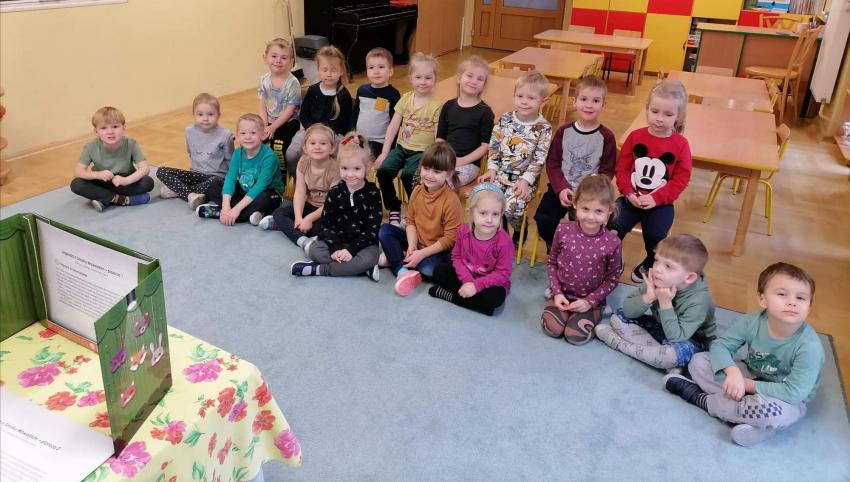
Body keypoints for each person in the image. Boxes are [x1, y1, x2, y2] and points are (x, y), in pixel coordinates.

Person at [665, 263, 824, 447]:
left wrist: (744, 384)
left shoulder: (810, 347)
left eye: (801, 298)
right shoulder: (752, 321)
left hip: (785, 398)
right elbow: (721, 346)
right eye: (782, 294)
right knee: (699, 361)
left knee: (773, 412)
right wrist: (732, 372)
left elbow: (793, 393)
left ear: (809, 307)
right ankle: (749, 418)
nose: (792, 302)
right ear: (762, 299)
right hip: (752, 373)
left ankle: (702, 399)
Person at [608, 79, 692, 283]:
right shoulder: (635, 137)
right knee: (612, 226)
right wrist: (628, 192)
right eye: (655, 111)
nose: (659, 119)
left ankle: (650, 262)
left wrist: (656, 198)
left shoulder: (681, 144)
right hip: (630, 199)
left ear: (679, 116)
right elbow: (622, 169)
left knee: (656, 235)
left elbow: (681, 179)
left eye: (668, 114)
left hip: (660, 203)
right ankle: (613, 258)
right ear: (647, 109)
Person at [595, 234, 716, 370]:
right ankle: (659, 357)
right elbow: (628, 312)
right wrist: (648, 297)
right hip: (662, 328)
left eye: (668, 266)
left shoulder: (699, 300)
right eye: (657, 260)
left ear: (689, 278)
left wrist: (665, 303)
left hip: (691, 341)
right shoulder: (659, 279)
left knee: (673, 355)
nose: (657, 269)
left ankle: (620, 345)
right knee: (618, 317)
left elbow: (677, 337)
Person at [533, 76, 616, 251]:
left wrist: (590, 191)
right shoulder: (564, 131)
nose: (589, 105)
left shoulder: (607, 137)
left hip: (589, 194)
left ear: (604, 105)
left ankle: (577, 251)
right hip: (561, 188)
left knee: (584, 226)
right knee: (543, 218)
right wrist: (561, 188)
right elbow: (553, 163)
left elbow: (607, 171)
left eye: (595, 101)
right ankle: (555, 246)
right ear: (575, 101)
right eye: (584, 99)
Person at [540, 175, 621, 345]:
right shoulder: (562, 230)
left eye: (598, 211)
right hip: (562, 293)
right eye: (585, 209)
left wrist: (590, 302)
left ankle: (598, 309)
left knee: (575, 337)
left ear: (610, 210)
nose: (590, 217)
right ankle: (554, 297)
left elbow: (612, 279)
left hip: (590, 299)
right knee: (551, 329)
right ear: (575, 203)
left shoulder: (613, 242)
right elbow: (552, 262)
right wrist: (557, 292)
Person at [290, 132, 383, 280]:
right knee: (315, 251)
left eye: (356, 169)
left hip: (362, 246)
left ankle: (320, 269)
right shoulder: (335, 192)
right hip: (336, 242)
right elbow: (326, 225)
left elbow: (372, 230)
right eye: (344, 168)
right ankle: (360, 269)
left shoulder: (373, 193)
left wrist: (351, 251)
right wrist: (335, 248)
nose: (350, 174)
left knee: (372, 257)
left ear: (367, 167)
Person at [378, 141, 462, 297]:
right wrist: (412, 246)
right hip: (417, 242)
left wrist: (421, 254)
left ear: (449, 174)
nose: (429, 175)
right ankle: (402, 270)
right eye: (426, 168)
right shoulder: (417, 191)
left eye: (437, 171)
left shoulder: (451, 200)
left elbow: (450, 239)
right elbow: (410, 221)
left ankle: (397, 258)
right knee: (384, 230)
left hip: (437, 251)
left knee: (428, 268)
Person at [478, 70, 553, 241]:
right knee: (489, 204)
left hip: (524, 182)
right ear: (514, 96)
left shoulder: (544, 128)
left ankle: (520, 229)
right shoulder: (505, 120)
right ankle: (501, 234)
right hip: (499, 175)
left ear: (543, 101)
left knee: (512, 209)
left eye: (531, 98)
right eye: (520, 96)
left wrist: (526, 181)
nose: (524, 102)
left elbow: (539, 159)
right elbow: (494, 146)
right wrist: (491, 169)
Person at [374, 52, 442, 226]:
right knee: (383, 171)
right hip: (401, 148)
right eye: (418, 77)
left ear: (435, 79)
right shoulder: (405, 99)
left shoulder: (436, 106)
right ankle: (394, 207)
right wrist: (384, 153)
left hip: (422, 152)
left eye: (428, 77)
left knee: (409, 175)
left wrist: (433, 159)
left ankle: (416, 210)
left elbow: (437, 135)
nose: (423, 82)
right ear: (411, 78)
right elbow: (393, 127)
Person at [429, 183, 513, 316]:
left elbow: (502, 274)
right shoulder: (462, 232)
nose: (489, 220)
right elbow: (456, 257)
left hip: (489, 283)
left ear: (501, 214)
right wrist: (468, 281)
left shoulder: (505, 242)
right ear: (471, 213)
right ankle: (481, 307)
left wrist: (476, 286)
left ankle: (449, 296)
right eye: (483, 213)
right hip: (466, 276)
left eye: (495, 214)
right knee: (439, 271)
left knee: (495, 297)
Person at [258, 124, 339, 247]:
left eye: (323, 143)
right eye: (312, 143)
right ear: (305, 147)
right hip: (309, 204)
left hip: (327, 209)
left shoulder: (336, 169)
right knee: (278, 213)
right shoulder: (303, 161)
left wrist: (308, 219)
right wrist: (298, 218)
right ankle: (303, 240)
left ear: (332, 148)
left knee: (323, 229)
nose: (317, 147)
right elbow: (300, 192)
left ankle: (287, 227)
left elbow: (330, 203)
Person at [196, 113, 283, 225]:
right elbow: (230, 178)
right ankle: (244, 213)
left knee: (265, 199)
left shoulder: (269, 157)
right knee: (213, 184)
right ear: (237, 136)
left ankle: (222, 213)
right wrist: (226, 206)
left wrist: (236, 210)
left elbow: (260, 186)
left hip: (268, 193)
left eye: (253, 133)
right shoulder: (238, 153)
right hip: (245, 190)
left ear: (263, 135)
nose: (247, 137)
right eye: (243, 133)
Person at [157, 93, 234, 210]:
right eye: (200, 114)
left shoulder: (225, 134)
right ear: (194, 114)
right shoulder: (189, 130)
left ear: (218, 115)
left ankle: (179, 191)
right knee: (161, 171)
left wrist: (231, 183)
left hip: (216, 178)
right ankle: (191, 195)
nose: (205, 118)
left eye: (211, 114)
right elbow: (190, 152)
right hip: (195, 174)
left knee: (213, 184)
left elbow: (231, 160)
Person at [285, 45, 352, 179]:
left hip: (334, 134)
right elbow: (304, 114)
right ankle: (301, 181)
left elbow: (346, 123)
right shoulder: (313, 90)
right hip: (309, 131)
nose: (329, 74)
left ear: (341, 71)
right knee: (291, 154)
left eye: (333, 70)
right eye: (324, 70)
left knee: (342, 157)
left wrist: (325, 134)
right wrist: (312, 131)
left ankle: (333, 183)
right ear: (318, 70)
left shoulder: (344, 94)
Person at [71, 106, 154, 212]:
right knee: (76, 184)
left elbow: (145, 168)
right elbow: (78, 171)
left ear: (124, 127)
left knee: (147, 182)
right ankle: (122, 200)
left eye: (115, 126)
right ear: (96, 131)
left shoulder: (131, 144)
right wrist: (97, 175)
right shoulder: (90, 147)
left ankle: (105, 199)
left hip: (124, 182)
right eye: (103, 128)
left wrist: (126, 180)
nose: (110, 132)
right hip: (102, 182)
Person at [436, 55, 494, 187]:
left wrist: (460, 161)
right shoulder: (448, 106)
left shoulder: (485, 112)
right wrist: (440, 158)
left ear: (483, 85)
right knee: (422, 177)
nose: (474, 81)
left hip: (469, 164)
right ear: (459, 78)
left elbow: (485, 146)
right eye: (470, 76)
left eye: (480, 79)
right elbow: (440, 138)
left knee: (444, 183)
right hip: (445, 159)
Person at [258, 37, 301, 173]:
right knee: (254, 139)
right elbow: (261, 103)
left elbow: (290, 109)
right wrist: (264, 125)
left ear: (291, 62)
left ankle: (281, 173)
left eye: (284, 58)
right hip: (269, 121)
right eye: (274, 56)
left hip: (288, 122)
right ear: (265, 58)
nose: (278, 60)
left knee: (278, 145)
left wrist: (273, 127)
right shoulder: (264, 80)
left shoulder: (292, 83)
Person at [351, 47, 401, 161]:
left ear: (391, 71)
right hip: (359, 138)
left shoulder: (393, 94)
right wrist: (352, 133)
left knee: (366, 159)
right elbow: (355, 114)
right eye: (371, 67)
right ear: (367, 71)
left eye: (381, 67)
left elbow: (395, 123)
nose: (376, 71)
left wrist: (390, 148)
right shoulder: (362, 90)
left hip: (379, 142)